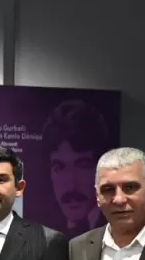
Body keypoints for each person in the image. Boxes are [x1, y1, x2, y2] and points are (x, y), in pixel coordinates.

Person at [42, 100, 110, 237]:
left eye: (82, 166)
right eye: (59, 167)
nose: (70, 185)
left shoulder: (120, 229)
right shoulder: (43, 233)